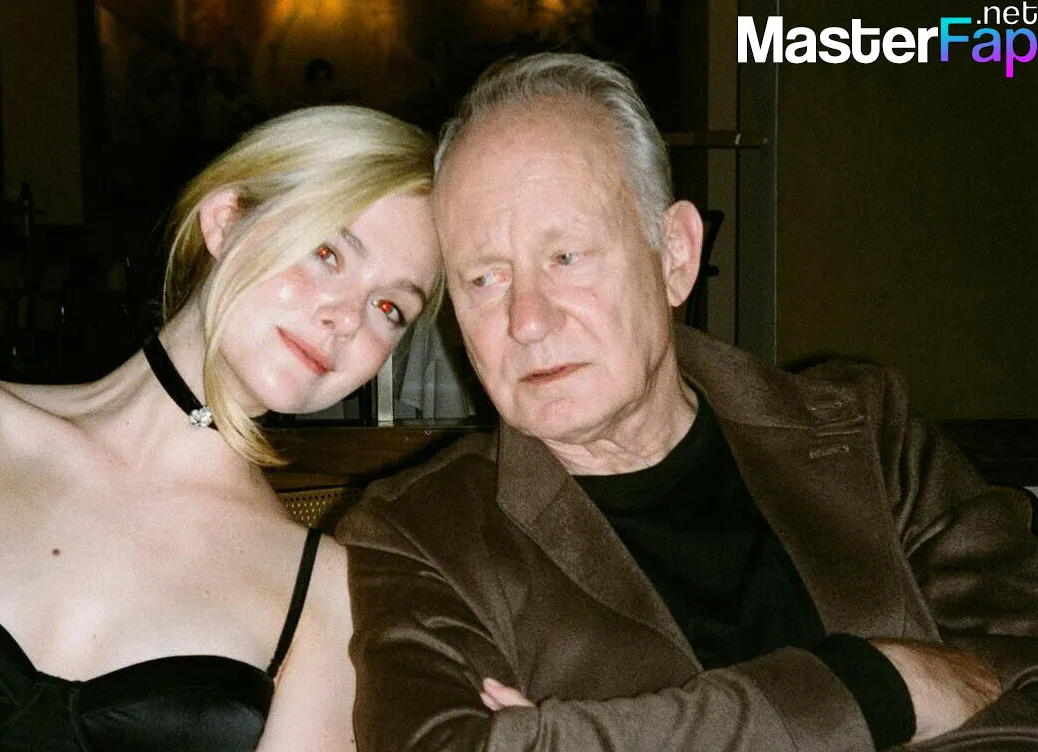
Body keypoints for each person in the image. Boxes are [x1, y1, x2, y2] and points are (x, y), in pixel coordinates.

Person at [337, 53, 1038, 751]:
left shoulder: (866, 433)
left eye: (566, 257)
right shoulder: (420, 535)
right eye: (485, 278)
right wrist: (875, 689)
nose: (527, 320)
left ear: (675, 254)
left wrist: (569, 736)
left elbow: (1025, 679)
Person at [0, 104, 442, 751]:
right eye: (327, 253)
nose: (347, 318)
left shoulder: (326, 593)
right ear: (225, 220)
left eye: (390, 307)